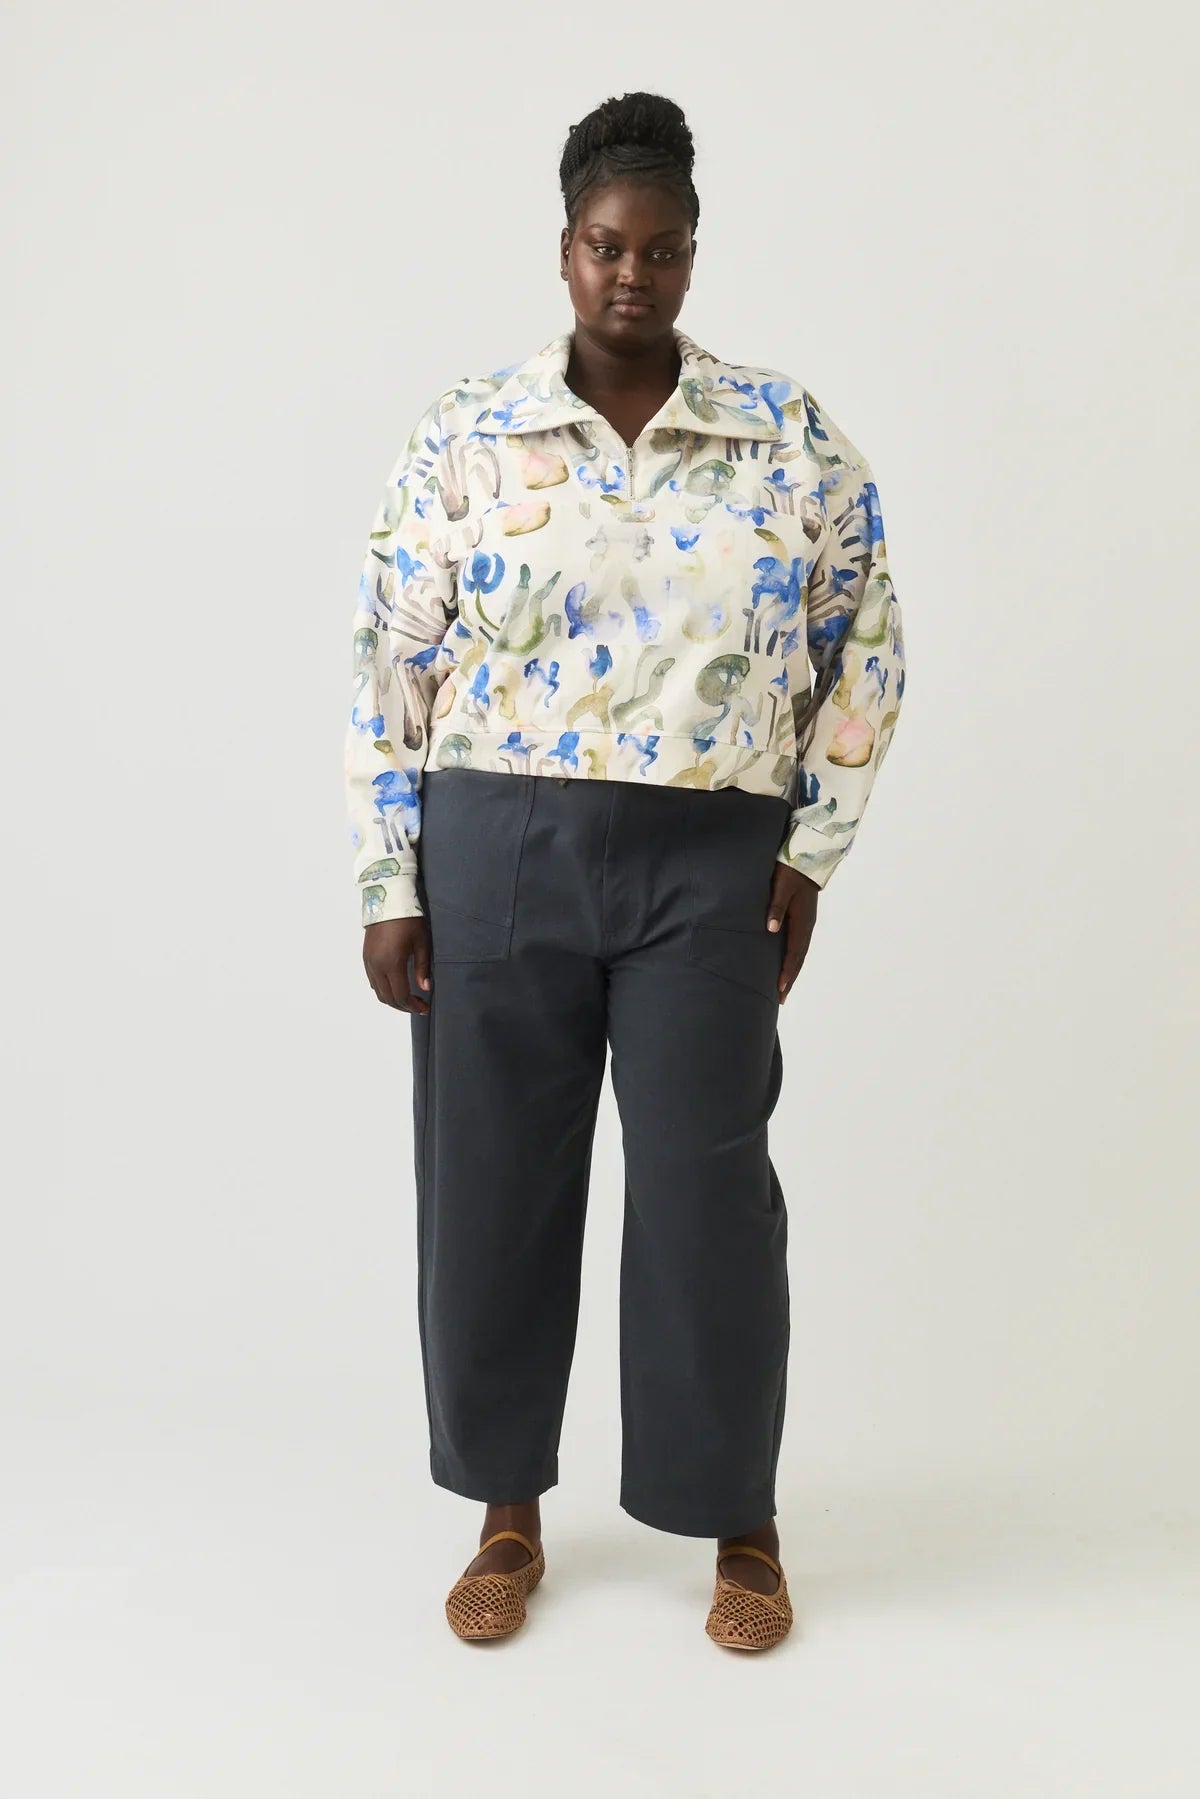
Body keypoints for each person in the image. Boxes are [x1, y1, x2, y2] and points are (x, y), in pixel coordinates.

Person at [344, 90, 906, 1651]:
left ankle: (744, 1519)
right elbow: (390, 660)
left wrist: (812, 847)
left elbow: (868, 637)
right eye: (606, 245)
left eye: (661, 249)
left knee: (710, 1188)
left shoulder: (786, 437)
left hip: (705, 859)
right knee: (494, 1188)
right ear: (567, 248)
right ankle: (506, 1508)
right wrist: (391, 874)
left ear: (693, 253)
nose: (632, 275)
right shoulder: (469, 436)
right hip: (498, 839)